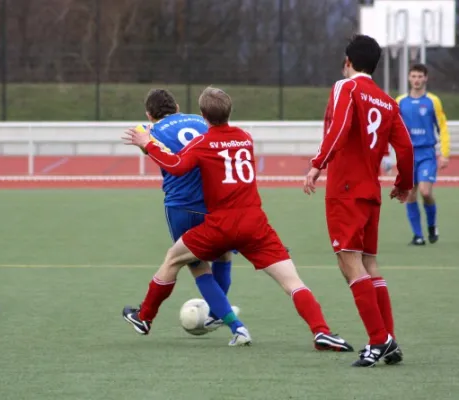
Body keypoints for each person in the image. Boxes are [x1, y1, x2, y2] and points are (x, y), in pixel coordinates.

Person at [122, 86, 353, 351]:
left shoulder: (202, 143)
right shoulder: (245, 137)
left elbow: (177, 166)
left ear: (203, 115)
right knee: (292, 282)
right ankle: (321, 331)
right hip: (255, 223)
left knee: (174, 259)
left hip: (219, 224)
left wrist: (147, 143)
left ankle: (146, 317)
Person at [304, 34, 414, 367]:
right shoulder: (387, 101)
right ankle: (389, 339)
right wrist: (404, 183)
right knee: (368, 263)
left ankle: (378, 340)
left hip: (346, 188)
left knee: (348, 262)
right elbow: (406, 148)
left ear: (348, 62)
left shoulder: (346, 88)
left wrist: (316, 164)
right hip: (371, 190)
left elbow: (338, 129)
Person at [135, 89, 241, 333]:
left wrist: (148, 132)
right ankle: (216, 314)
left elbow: (145, 144)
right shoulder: (200, 120)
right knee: (224, 256)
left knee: (195, 264)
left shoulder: (147, 129)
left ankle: (231, 323)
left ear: (149, 114)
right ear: (178, 106)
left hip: (181, 205)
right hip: (214, 203)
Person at [396, 64, 450, 245]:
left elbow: (442, 127)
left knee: (426, 192)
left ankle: (432, 226)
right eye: (413, 76)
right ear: (409, 78)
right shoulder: (400, 102)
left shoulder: (432, 101)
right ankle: (418, 236)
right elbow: (394, 129)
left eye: (420, 76)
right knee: (410, 194)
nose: (417, 79)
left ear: (425, 78)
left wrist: (444, 153)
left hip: (426, 153)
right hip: (407, 155)